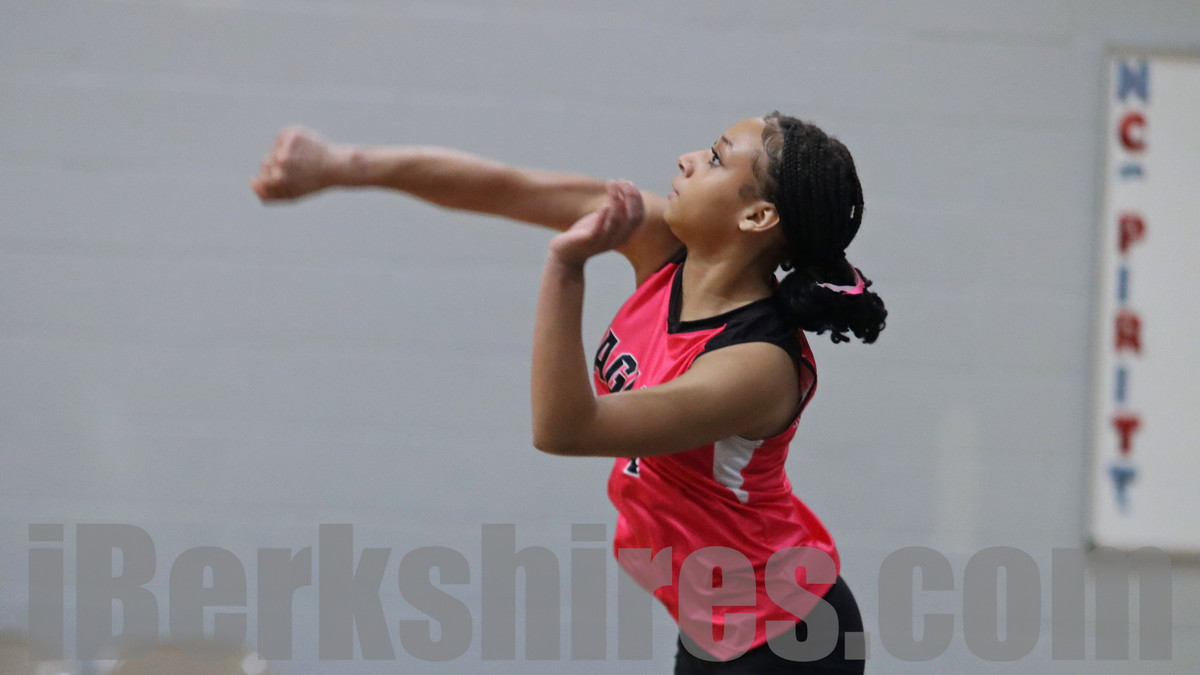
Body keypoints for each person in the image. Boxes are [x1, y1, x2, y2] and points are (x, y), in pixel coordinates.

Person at [252, 112, 885, 673]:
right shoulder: (662, 245)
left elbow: (565, 429)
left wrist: (565, 267)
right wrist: (340, 165)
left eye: (716, 158)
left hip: (789, 635)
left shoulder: (756, 365)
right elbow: (508, 187)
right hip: (715, 625)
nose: (688, 159)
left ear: (757, 216)